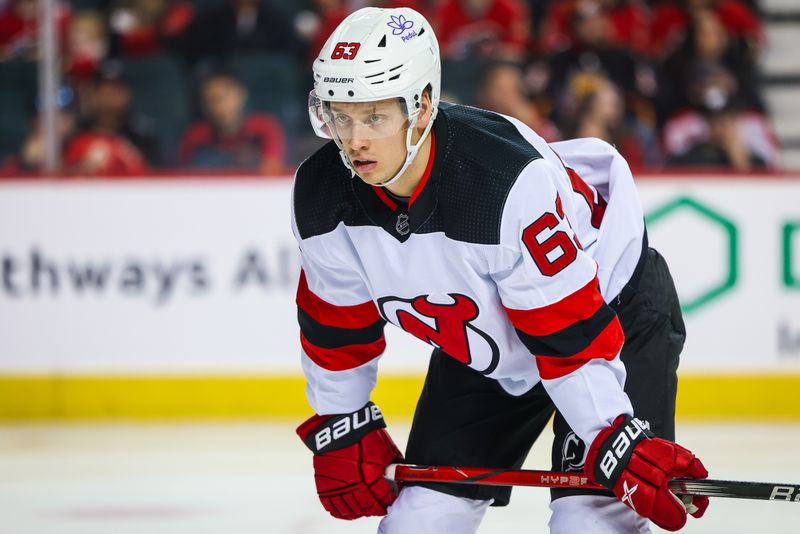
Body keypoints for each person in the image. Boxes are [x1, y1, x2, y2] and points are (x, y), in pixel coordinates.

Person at [292, 7, 709, 533]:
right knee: (419, 522)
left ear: (421, 107)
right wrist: (342, 423)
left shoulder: (503, 184)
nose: (353, 141)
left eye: (375, 116)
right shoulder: (321, 195)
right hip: (489, 345)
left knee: (589, 522)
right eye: (340, 115)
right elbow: (336, 325)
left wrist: (614, 435)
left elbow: (567, 338)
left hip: (607, 321)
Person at [178, 70, 287, 173]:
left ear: (241, 95)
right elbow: (186, 177)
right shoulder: (196, 136)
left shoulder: (264, 128)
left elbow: (273, 169)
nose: (216, 106)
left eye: (221, 98)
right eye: (209, 100)